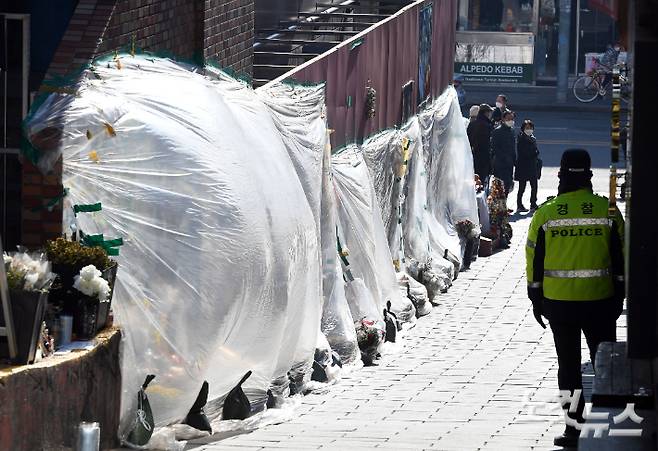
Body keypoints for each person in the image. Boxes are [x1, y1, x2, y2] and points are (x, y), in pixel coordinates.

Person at [526, 149, 625, 448]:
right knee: (603, 365)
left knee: (568, 366)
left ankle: (572, 429)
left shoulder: (547, 213)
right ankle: (609, 425)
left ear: (560, 175)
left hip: (559, 304)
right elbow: (622, 257)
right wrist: (620, 293)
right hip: (601, 301)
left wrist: (535, 297)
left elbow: (534, 257)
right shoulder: (607, 210)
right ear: (590, 176)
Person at [514, 119, 540, 211]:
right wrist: (534, 153)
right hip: (523, 166)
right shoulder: (521, 139)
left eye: (530, 128)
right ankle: (519, 205)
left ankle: (533, 203)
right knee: (522, 187)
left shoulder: (533, 138)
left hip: (532, 166)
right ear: (523, 129)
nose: (529, 129)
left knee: (534, 186)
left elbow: (535, 150)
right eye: (527, 128)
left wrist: (535, 153)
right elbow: (523, 152)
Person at [467, 104, 494, 187]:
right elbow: (489, 144)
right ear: (486, 113)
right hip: (484, 158)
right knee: (482, 182)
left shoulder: (472, 124)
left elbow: (468, 140)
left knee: (473, 180)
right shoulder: (487, 126)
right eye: (489, 113)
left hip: (473, 156)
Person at [491, 111, 516, 196]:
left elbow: (513, 147)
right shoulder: (497, 131)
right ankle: (499, 207)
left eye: (512, 119)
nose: (511, 121)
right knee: (501, 186)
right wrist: (504, 158)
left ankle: (504, 205)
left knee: (508, 184)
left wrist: (514, 159)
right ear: (503, 119)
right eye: (508, 119)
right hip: (500, 164)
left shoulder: (512, 131)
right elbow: (495, 148)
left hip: (510, 164)